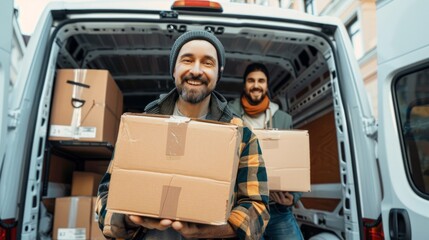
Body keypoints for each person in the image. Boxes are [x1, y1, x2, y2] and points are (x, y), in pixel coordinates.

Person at [95, 30, 270, 240]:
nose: (196, 70)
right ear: (174, 68)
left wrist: (209, 231)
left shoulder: (241, 134)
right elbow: (105, 198)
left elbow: (258, 211)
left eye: (207, 63)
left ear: (218, 72)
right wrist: (129, 219)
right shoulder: (142, 127)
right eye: (187, 60)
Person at [228, 63, 304, 240]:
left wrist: (293, 197)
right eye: (251, 80)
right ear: (245, 84)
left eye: (261, 81)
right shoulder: (230, 116)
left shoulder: (283, 119)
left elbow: (297, 160)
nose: (256, 85)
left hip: (276, 206)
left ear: (267, 85)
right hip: (242, 208)